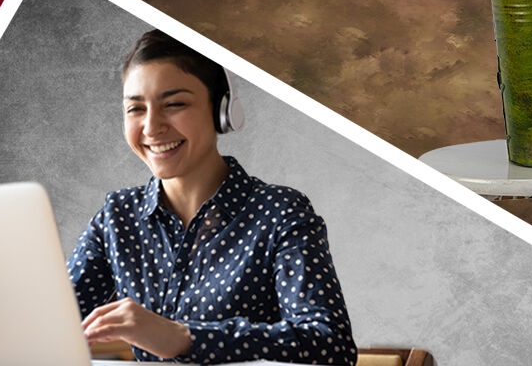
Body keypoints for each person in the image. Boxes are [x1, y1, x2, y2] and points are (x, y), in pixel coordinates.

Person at [68, 30, 357, 365]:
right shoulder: (116, 216)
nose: (150, 126)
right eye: (135, 109)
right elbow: (50, 322)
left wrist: (183, 337)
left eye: (174, 104)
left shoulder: (280, 212)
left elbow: (331, 347)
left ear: (222, 111)